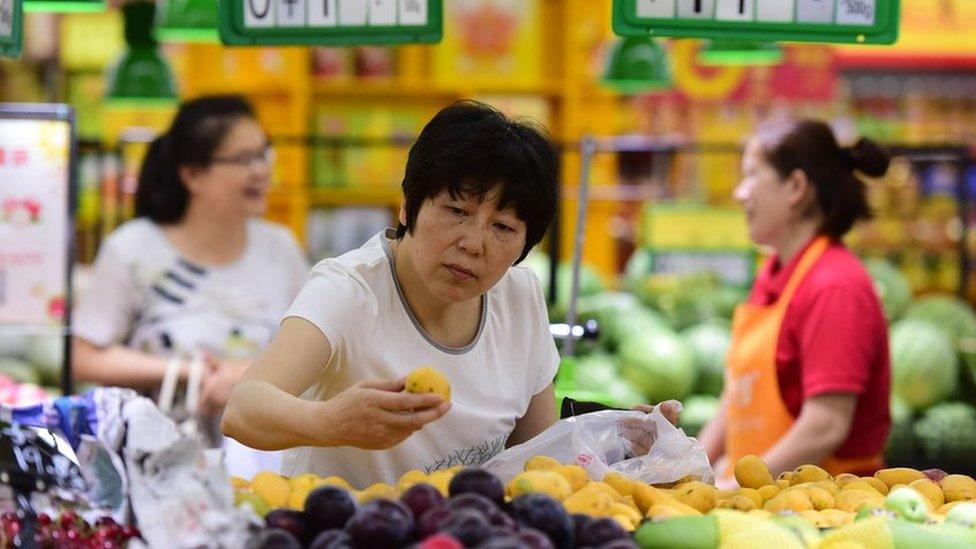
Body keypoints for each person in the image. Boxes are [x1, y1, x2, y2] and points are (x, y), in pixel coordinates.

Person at [223, 101, 676, 487]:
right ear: (407, 205)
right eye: (456, 211)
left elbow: (534, 453)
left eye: (502, 227)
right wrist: (330, 422)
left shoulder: (519, 297)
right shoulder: (349, 290)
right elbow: (243, 408)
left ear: (526, 243)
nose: (473, 243)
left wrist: (612, 438)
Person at [72, 95, 308, 476]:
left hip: (263, 470)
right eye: (244, 158)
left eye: (265, 153)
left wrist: (246, 375)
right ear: (192, 175)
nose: (262, 169)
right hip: (149, 471)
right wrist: (186, 371)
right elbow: (82, 355)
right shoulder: (133, 249)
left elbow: (316, 356)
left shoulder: (281, 249)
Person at [698, 120, 892, 485]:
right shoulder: (774, 273)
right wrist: (694, 471)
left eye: (752, 175)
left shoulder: (835, 286)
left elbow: (826, 424)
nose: (740, 193)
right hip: (761, 506)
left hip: (826, 516)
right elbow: (738, 396)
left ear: (796, 188)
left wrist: (737, 488)